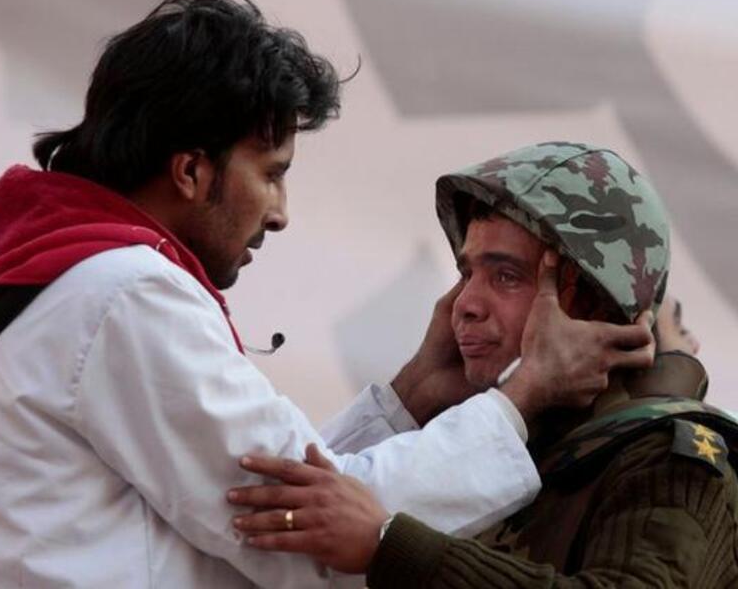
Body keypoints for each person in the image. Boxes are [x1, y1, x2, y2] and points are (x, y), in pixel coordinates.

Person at [0, 0, 655, 587]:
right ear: (191, 172)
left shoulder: (58, 277)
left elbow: (268, 494)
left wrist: (408, 401)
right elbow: (300, 535)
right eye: (271, 172)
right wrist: (522, 398)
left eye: (506, 275)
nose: (280, 212)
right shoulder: (124, 296)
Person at [228, 142, 738, 587]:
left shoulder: (670, 461)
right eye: (467, 272)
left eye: (507, 277)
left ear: (594, 303)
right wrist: (418, 393)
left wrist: (392, 548)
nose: (464, 304)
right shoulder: (504, 444)